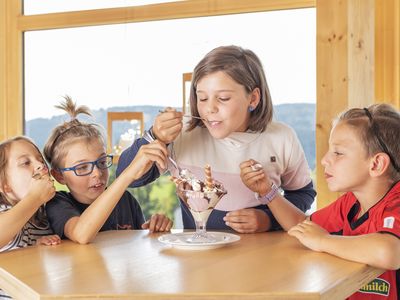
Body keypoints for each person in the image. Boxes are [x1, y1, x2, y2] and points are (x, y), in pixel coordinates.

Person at [117, 45, 316, 233]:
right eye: (202, 98)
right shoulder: (182, 134)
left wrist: (268, 220)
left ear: (253, 98)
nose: (210, 108)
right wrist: (154, 137)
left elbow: (302, 194)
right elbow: (126, 178)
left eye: (223, 98)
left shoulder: (281, 138)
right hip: (199, 262)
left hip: (264, 258)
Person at [242, 103, 400, 299]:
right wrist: (268, 191)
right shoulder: (351, 202)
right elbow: (303, 227)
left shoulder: (396, 202)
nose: (325, 160)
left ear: (376, 164)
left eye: (338, 153)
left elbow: (389, 252)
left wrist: (323, 240)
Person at [44, 96, 173, 245]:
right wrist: (128, 175)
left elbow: (137, 247)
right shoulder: (58, 203)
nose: (97, 173)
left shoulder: (126, 201)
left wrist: (152, 229)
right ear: (59, 175)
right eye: (82, 167)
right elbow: (81, 234)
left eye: (102, 162)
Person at [0, 136, 60, 252]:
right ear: (4, 185)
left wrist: (37, 245)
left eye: (41, 160)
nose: (40, 165)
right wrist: (35, 198)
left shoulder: (43, 216)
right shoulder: (4, 212)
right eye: (26, 163)